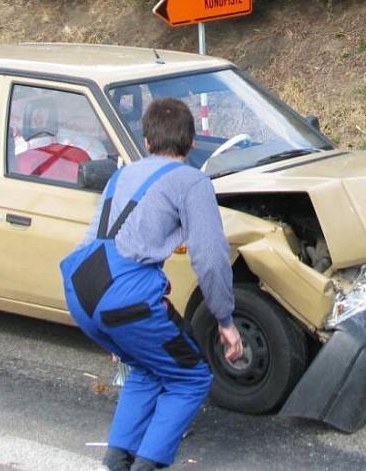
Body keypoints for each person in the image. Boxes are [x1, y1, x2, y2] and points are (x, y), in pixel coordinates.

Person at [61, 98, 243, 470]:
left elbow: (109, 241)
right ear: (193, 143)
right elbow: (209, 258)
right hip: (125, 295)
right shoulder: (192, 182)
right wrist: (225, 320)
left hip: (80, 287)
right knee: (191, 378)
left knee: (146, 368)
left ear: (146, 143)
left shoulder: (121, 175)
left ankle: (116, 463)